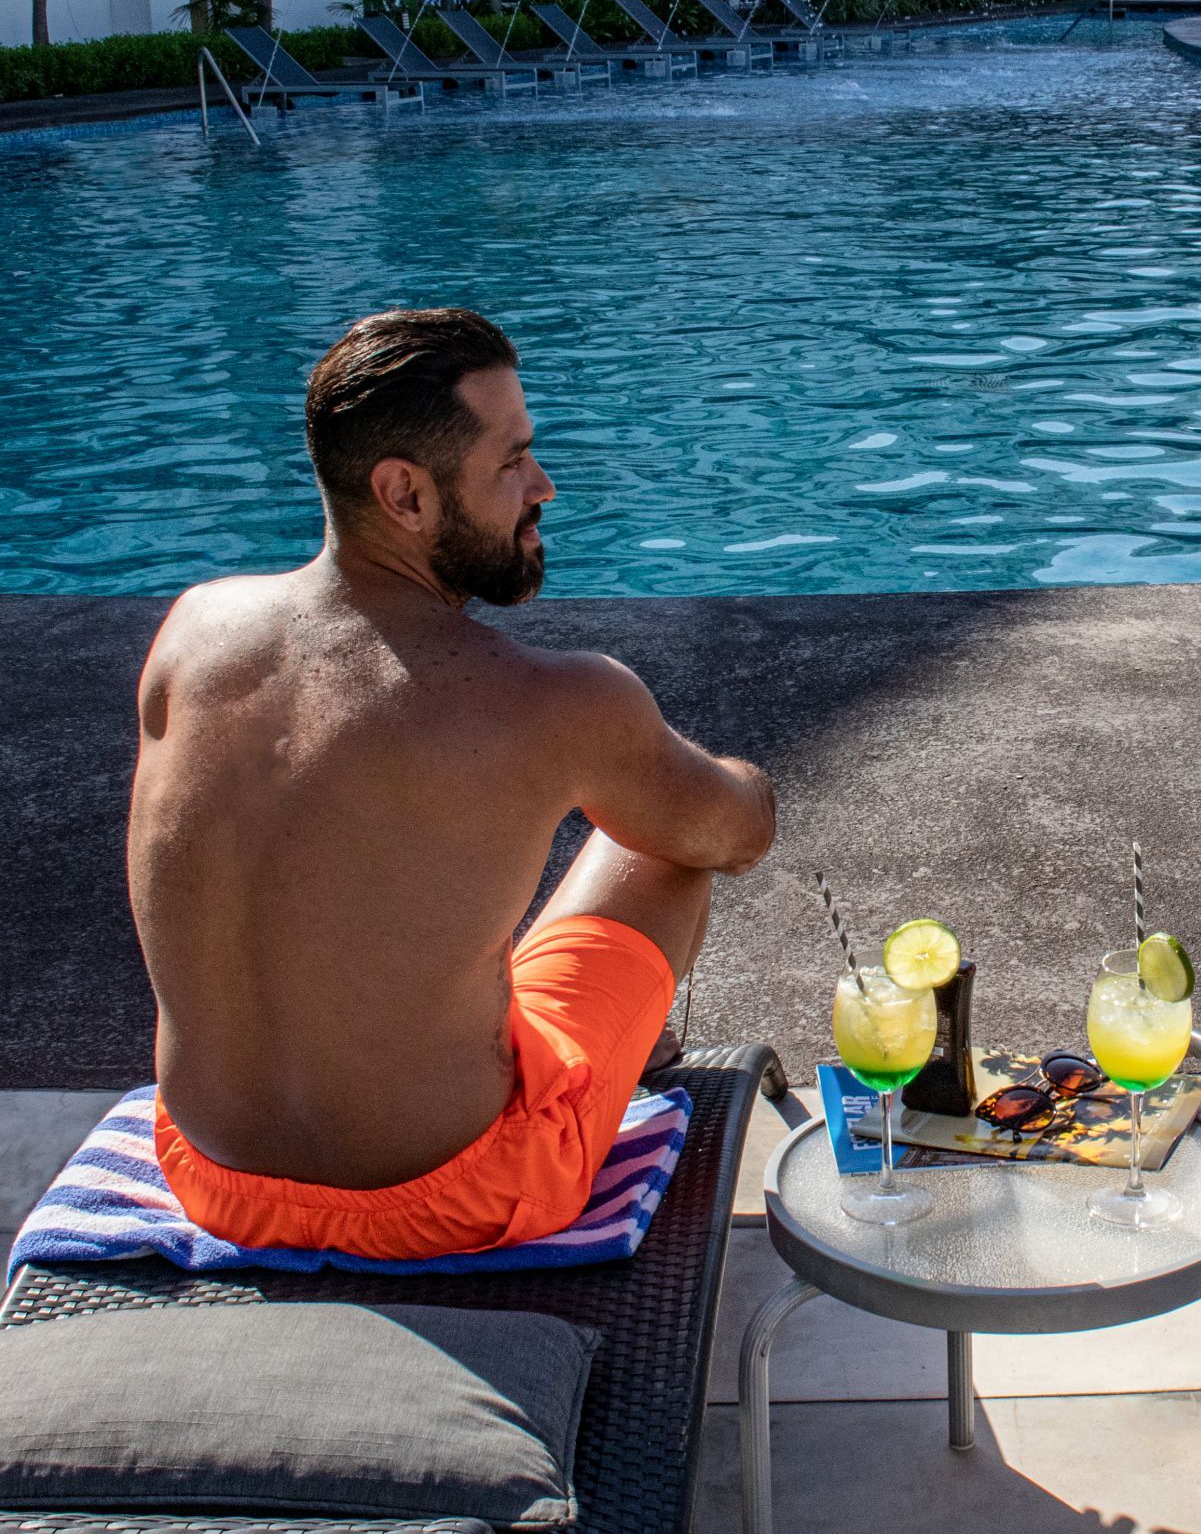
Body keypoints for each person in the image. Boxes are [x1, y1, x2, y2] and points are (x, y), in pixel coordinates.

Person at [128, 307, 776, 1259]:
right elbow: (733, 835)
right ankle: (601, 1074)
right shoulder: (558, 699)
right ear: (406, 495)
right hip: (451, 1197)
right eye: (511, 462)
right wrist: (736, 778)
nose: (543, 486)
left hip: (212, 1176)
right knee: (658, 839)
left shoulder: (193, 630)